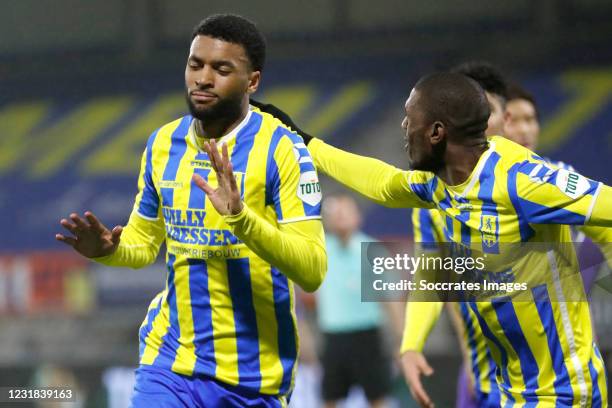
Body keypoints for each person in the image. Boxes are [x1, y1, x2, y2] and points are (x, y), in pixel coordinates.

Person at [288, 72, 611, 406]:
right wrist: (308, 145)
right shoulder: (438, 188)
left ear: (437, 131)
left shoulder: (522, 179)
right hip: (509, 387)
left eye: (409, 118)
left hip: (563, 390)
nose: (402, 126)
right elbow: (384, 186)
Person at [56, 14, 327, 407]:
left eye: (221, 69)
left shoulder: (283, 151)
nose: (202, 78)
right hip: (170, 362)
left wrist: (242, 219)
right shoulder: (163, 144)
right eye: (195, 64)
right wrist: (109, 251)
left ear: (252, 81)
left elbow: (312, 270)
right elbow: (144, 244)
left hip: (254, 377)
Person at [317, 194, 394, 408]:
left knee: (377, 397)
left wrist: (402, 340)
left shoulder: (372, 249)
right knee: (329, 398)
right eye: (336, 212)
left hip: (367, 336)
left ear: (358, 216)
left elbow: (390, 298)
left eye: (346, 211)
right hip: (333, 337)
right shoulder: (320, 250)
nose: (340, 216)